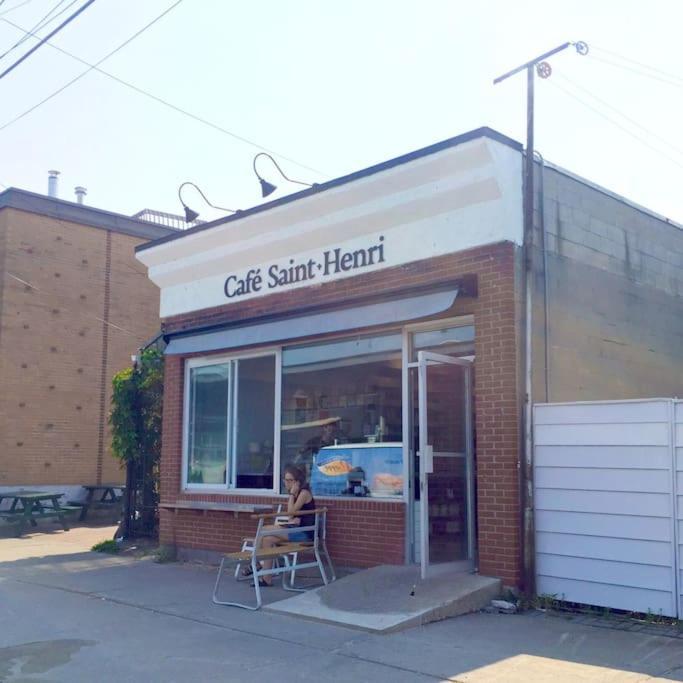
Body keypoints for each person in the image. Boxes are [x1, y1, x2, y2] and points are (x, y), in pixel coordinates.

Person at [245, 464, 316, 587]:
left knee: (263, 530)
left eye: (290, 480)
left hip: (305, 534)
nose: (286, 483)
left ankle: (256, 563)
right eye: (285, 480)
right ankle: (266, 579)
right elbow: (291, 516)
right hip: (295, 529)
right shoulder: (297, 493)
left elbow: (290, 513)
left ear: (297, 482)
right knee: (267, 539)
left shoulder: (303, 493)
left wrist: (292, 495)